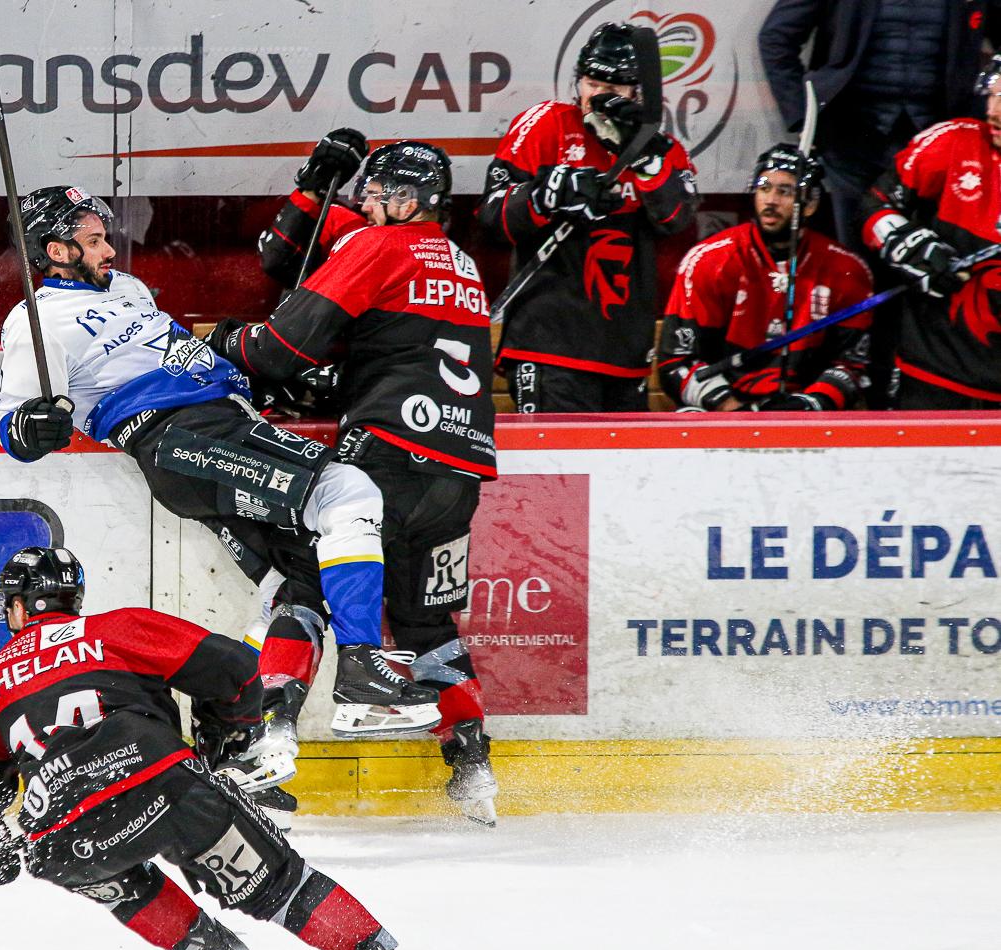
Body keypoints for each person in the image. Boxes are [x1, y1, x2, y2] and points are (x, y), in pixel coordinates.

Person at [0, 188, 440, 747]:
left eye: (105, 235)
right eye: (93, 240)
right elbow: (12, 423)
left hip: (216, 431)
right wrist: (32, 427)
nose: (109, 249)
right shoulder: (38, 321)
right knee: (347, 492)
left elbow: (188, 359)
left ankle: (256, 741)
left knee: (296, 587)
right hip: (182, 438)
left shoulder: (128, 290)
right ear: (57, 252)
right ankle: (361, 674)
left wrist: (268, 379)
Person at [0, 546, 437, 950]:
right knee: (282, 886)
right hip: (162, 785)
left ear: (19, 605)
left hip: (59, 835)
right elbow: (238, 668)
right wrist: (223, 738)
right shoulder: (114, 628)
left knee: (111, 874)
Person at [214, 137, 500, 826]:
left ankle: (271, 736)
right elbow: (300, 262)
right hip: (460, 471)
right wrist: (316, 190)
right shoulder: (460, 263)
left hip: (386, 458)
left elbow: (280, 349)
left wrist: (225, 342)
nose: (363, 205)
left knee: (306, 585)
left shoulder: (381, 247)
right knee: (428, 617)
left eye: (373, 196)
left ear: (406, 201)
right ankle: (473, 767)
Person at [477, 21, 700, 413]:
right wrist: (548, 194)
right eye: (591, 83)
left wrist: (645, 159)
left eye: (612, 89)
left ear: (637, 92)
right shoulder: (545, 125)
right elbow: (493, 216)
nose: (598, 96)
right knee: (554, 473)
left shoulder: (661, 150)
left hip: (625, 356)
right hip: (547, 348)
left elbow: (678, 219)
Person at [759, 0, 1001, 247]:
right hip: (849, 141)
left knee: (939, 263)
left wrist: (991, 106)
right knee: (857, 261)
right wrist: (804, 117)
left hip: (943, 144)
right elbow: (776, 37)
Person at [659, 143, 872, 412]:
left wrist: (810, 405)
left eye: (785, 191)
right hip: (723, 414)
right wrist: (735, 410)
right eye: (764, 187)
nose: (770, 200)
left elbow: (852, 366)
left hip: (809, 419)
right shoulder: (709, 261)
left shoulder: (845, 269)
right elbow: (676, 362)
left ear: (811, 204)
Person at [859, 55, 1001, 410]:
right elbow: (873, 205)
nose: (994, 110)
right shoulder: (954, 142)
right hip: (934, 372)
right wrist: (907, 244)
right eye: (993, 94)